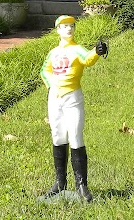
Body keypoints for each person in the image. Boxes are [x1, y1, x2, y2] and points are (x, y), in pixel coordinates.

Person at [40, 14, 109, 202]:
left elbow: (87, 59)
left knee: (76, 136)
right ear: (58, 31)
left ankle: (81, 185)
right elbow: (44, 71)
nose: (69, 29)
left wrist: (97, 51)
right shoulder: (53, 53)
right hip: (55, 98)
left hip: (72, 97)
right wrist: (51, 86)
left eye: (71, 25)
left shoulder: (77, 49)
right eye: (64, 26)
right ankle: (60, 182)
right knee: (57, 135)